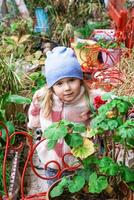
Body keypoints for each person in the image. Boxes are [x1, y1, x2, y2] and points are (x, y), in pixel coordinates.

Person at [27, 46, 105, 187]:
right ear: (51, 86)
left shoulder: (88, 98)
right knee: (55, 189)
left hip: (79, 160)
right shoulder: (43, 97)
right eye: (59, 83)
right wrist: (34, 125)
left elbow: (109, 99)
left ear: (80, 80)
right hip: (52, 159)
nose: (67, 87)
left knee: (79, 190)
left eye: (71, 80)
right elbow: (34, 111)